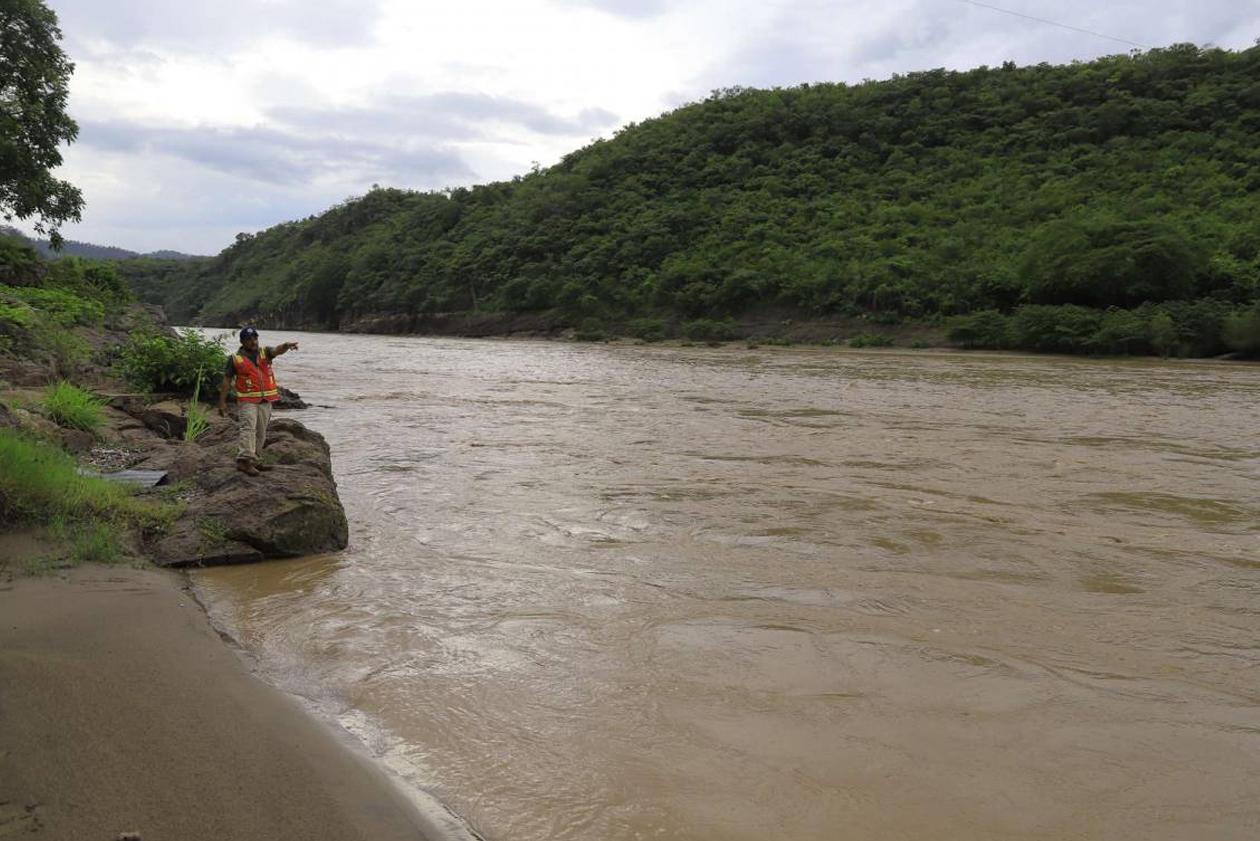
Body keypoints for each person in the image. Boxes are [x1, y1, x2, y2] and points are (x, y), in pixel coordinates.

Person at [217, 327, 299, 476]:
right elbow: (227, 381)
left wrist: (286, 345)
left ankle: (254, 459)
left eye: (255, 338)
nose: (253, 342)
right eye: (249, 339)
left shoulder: (265, 352)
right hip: (247, 400)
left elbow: (277, 350)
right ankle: (244, 461)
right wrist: (222, 402)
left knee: (261, 432)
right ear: (242, 342)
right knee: (248, 428)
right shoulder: (235, 359)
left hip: (265, 400)